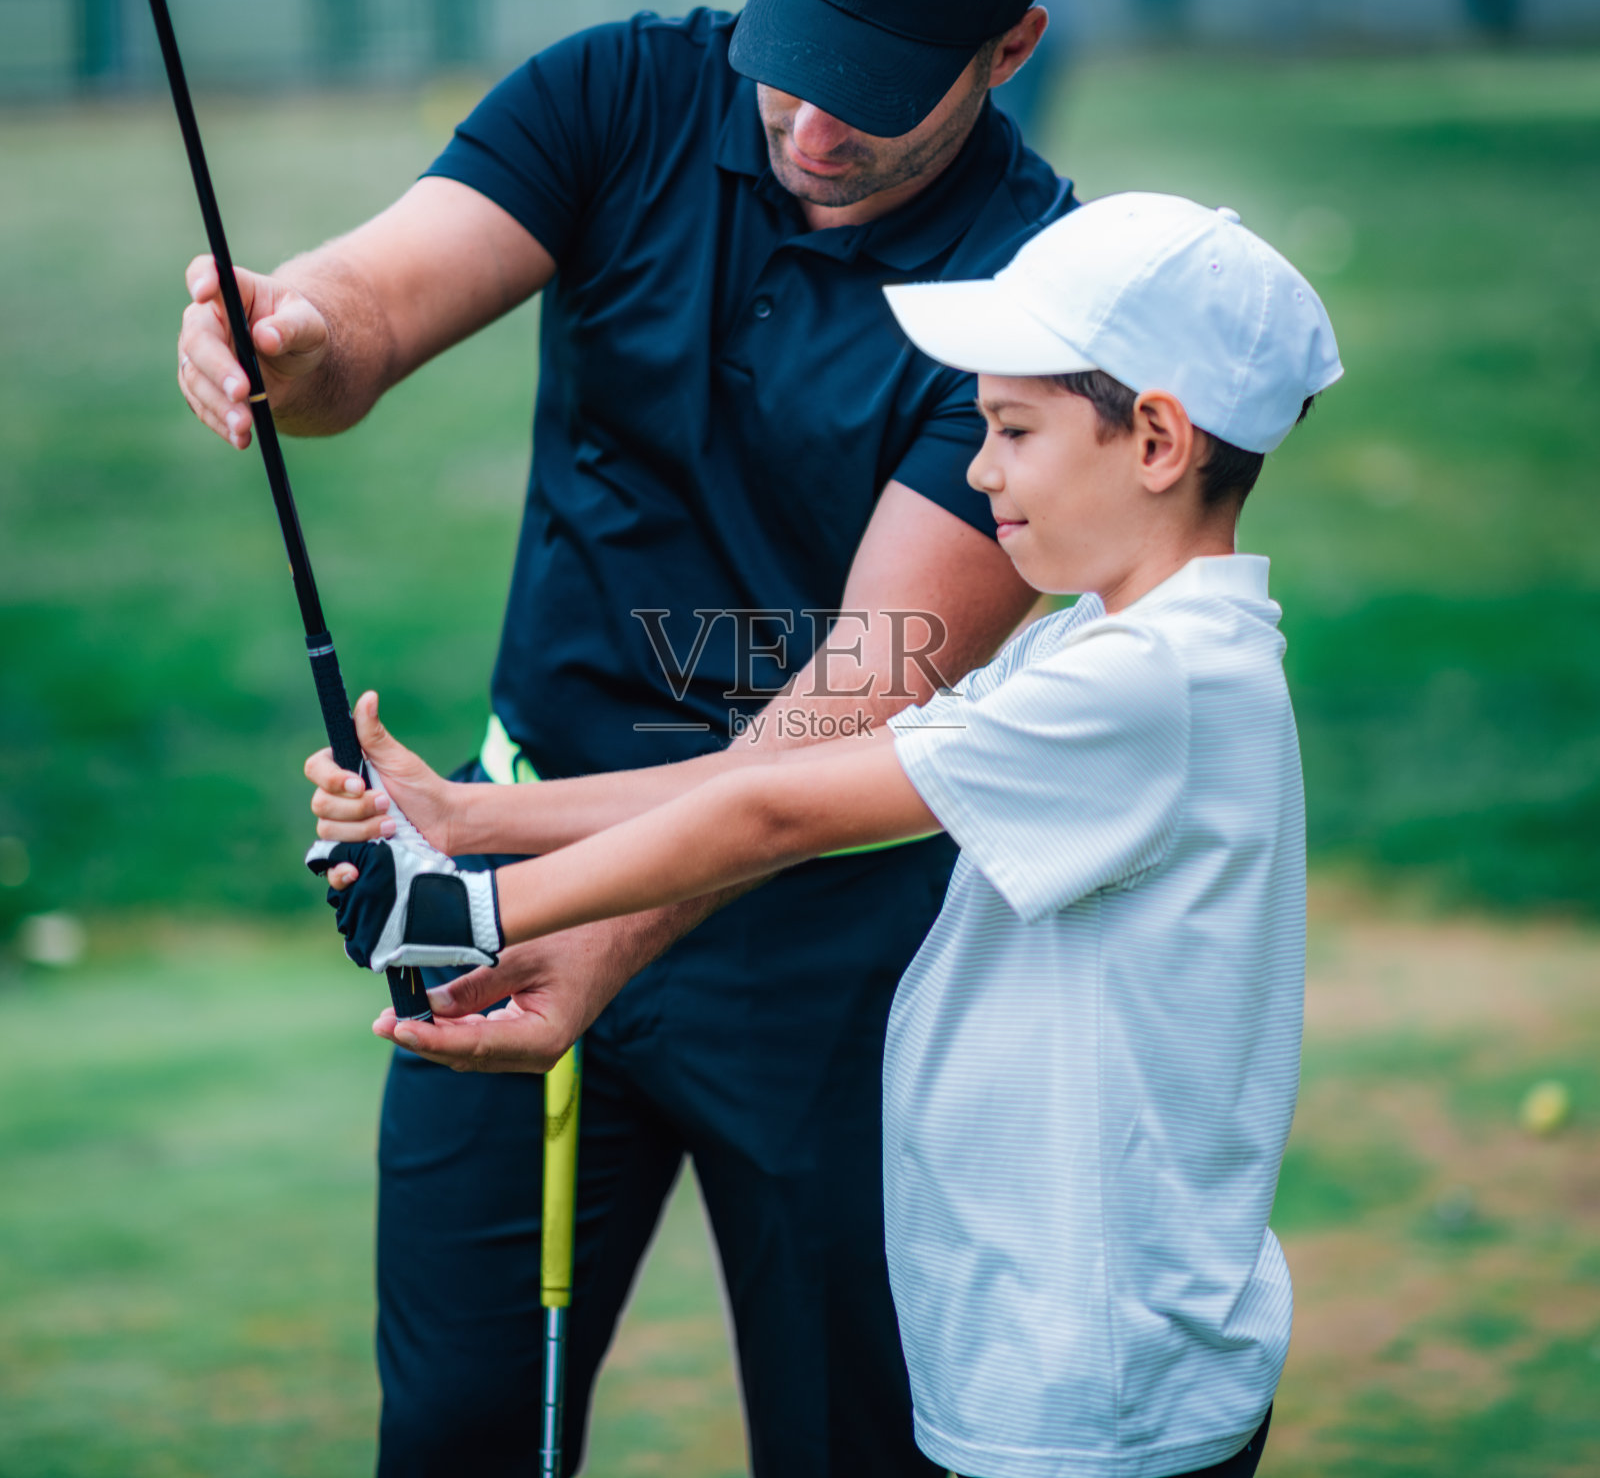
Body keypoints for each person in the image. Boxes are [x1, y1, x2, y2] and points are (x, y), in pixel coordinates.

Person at [176, 0, 1071, 1471]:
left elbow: (855, 710)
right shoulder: (623, 89)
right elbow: (365, 312)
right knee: (455, 1430)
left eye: (873, 91)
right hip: (517, 861)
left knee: (848, 1437)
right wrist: (288, 333)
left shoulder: (1044, 295)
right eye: (794, 57)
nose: (807, 126)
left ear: (1012, 48)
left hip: (839, 941)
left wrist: (586, 917)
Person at [306, 191, 1343, 1478]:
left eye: (1012, 430)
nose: (977, 470)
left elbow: (776, 808)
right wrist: (465, 817)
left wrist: (472, 907)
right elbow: (784, 766)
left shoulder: (1151, 687)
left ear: (1155, 440)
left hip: (1095, 1384)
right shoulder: (1100, 645)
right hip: (1049, 1355)